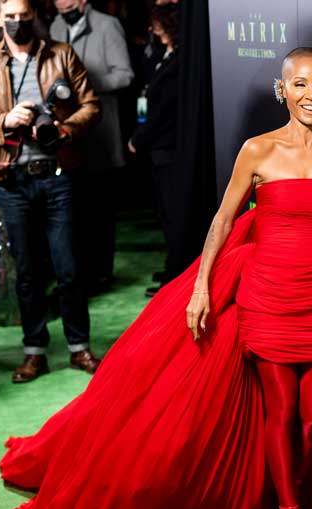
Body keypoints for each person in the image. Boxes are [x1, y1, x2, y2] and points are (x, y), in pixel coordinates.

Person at [0, 47, 312, 509]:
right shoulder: (258, 151)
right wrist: (202, 287)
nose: (311, 94)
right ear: (283, 91)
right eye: (300, 84)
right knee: (280, 413)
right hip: (269, 295)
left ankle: (290, 494)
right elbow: (221, 221)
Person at [0, 0, 103, 382]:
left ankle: (79, 348)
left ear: (34, 15)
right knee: (27, 271)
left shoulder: (61, 55)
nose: (17, 23)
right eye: (8, 17)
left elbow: (92, 105)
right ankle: (34, 351)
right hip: (11, 179)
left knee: (69, 267)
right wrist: (3, 120)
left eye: (23, 15)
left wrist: (63, 130)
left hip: (58, 174)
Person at [50, 0, 134, 293]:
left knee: (101, 208)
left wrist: (85, 86)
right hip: (69, 137)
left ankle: (102, 272)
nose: (63, 3)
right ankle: (80, 271)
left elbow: (125, 75)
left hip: (101, 132)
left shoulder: (108, 25)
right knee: (74, 209)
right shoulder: (56, 27)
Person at [128, 4, 179, 296]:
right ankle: (172, 267)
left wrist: (140, 138)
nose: (152, 28)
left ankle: (174, 274)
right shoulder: (164, 57)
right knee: (164, 212)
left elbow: (163, 112)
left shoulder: (177, 63)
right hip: (158, 149)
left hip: (167, 148)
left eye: (157, 23)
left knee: (171, 213)